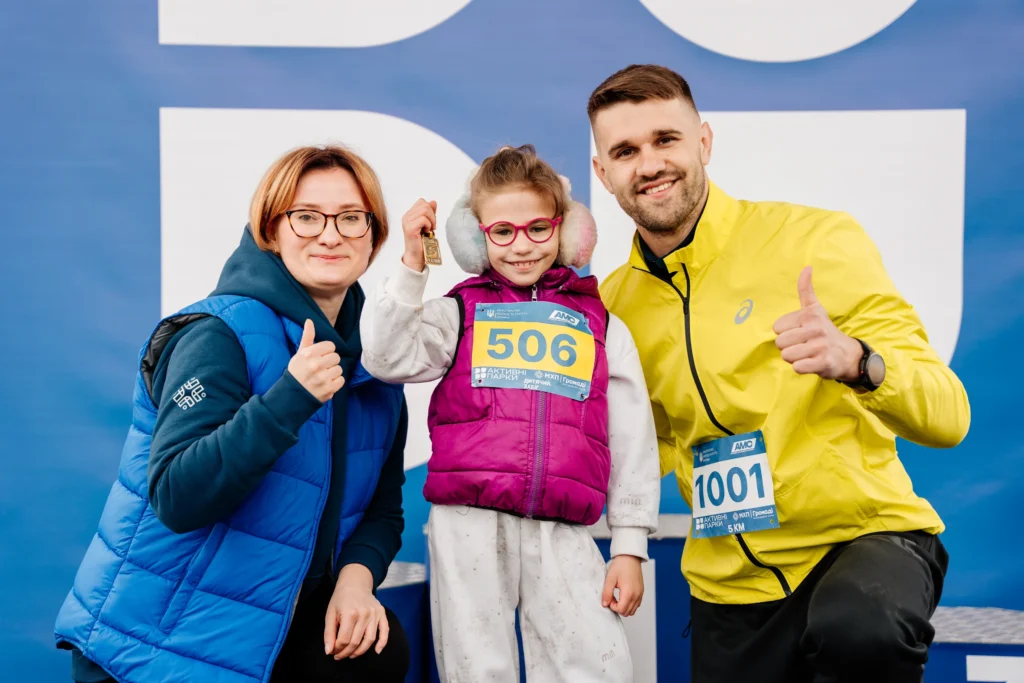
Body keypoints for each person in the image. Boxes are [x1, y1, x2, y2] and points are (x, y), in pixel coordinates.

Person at [588, 64, 971, 683]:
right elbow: (637, 450)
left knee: (860, 629)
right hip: (730, 586)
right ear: (604, 173)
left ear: (704, 142)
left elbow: (949, 417)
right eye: (625, 151)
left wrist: (858, 362)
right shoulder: (613, 307)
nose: (650, 164)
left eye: (666, 139)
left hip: (860, 543)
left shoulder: (815, 240)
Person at [54, 145, 412, 683]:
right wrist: (290, 397)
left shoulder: (375, 358)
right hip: (161, 639)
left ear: (373, 237)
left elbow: (383, 507)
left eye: (350, 218)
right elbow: (179, 497)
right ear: (271, 230)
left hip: (269, 619)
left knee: (376, 652)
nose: (330, 235)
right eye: (307, 217)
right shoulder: (216, 334)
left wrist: (356, 581)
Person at [359, 144, 661, 682]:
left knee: (594, 667)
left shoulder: (601, 326)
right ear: (475, 237)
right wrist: (411, 266)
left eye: (538, 228)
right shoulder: (457, 312)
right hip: (468, 524)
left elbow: (631, 436)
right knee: (477, 669)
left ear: (566, 230)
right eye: (502, 232)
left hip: (564, 528)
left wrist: (630, 547)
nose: (521, 246)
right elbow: (385, 358)